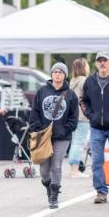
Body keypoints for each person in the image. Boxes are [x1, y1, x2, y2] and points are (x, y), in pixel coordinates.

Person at [79, 51, 109, 204]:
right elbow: (83, 100)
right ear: (96, 64)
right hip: (96, 127)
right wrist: (90, 115)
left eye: (105, 61)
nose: (102, 63)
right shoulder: (90, 81)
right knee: (96, 161)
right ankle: (101, 191)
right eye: (99, 61)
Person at [28, 62, 79, 208]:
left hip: (62, 137)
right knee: (44, 170)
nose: (57, 74)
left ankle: (54, 196)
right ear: (51, 74)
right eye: (55, 72)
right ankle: (48, 187)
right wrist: (36, 129)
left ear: (65, 75)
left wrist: (66, 129)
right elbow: (35, 112)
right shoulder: (42, 91)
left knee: (56, 166)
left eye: (61, 72)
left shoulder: (70, 95)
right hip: (43, 135)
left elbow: (73, 117)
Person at [67, 58, 90, 178]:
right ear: (82, 67)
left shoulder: (73, 81)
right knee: (78, 143)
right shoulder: (84, 81)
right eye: (86, 65)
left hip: (74, 115)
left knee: (75, 142)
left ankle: (73, 169)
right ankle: (75, 171)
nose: (88, 67)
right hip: (83, 115)